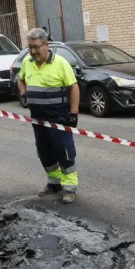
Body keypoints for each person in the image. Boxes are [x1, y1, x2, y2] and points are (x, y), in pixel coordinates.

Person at [17, 28, 81, 203]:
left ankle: (69, 188)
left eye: (36, 47)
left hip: (58, 117)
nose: (32, 51)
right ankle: (54, 183)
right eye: (29, 47)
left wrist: (74, 113)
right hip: (37, 118)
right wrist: (23, 93)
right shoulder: (27, 62)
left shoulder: (60, 63)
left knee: (64, 152)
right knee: (44, 151)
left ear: (46, 45)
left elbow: (74, 87)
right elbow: (20, 78)